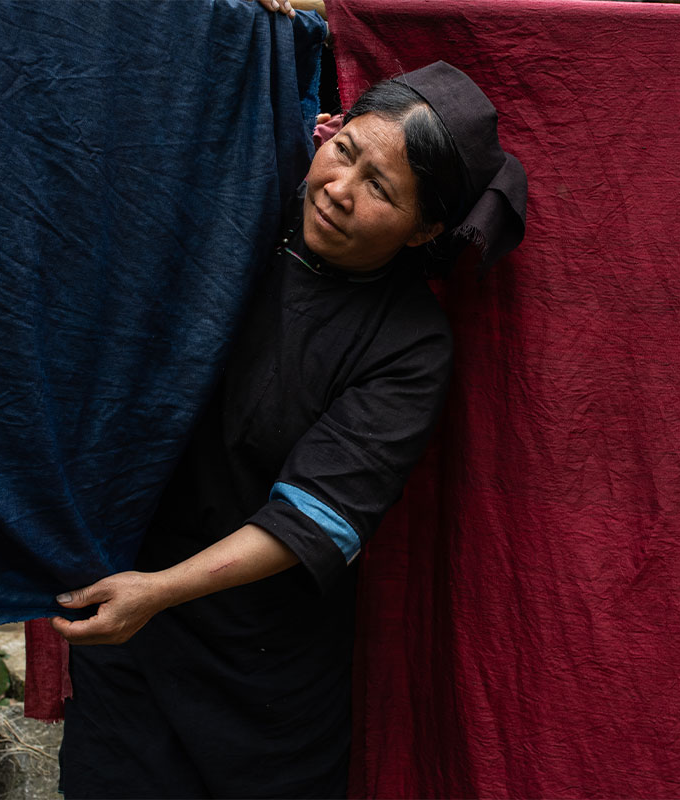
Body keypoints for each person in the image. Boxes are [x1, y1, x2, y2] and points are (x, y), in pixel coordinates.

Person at [51, 50, 527, 798]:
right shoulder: (239, 215)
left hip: (263, 669)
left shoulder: (409, 345)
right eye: (344, 153)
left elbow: (319, 516)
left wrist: (159, 590)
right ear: (326, 131)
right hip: (133, 632)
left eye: (380, 189)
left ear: (420, 230)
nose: (339, 190)